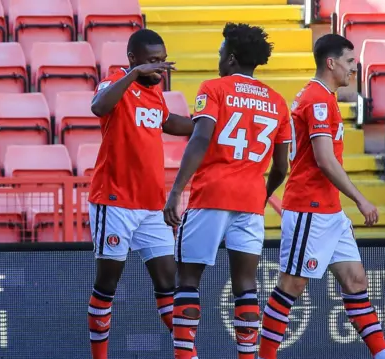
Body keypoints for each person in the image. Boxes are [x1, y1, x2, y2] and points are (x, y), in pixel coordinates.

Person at [257, 34, 385, 359]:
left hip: (329, 210)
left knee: (355, 280)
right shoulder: (317, 100)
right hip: (309, 207)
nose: (354, 69)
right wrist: (361, 198)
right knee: (291, 286)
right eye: (350, 62)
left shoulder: (322, 97)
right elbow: (325, 160)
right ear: (331, 63)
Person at [163, 23, 291, 359]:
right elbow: (281, 167)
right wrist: (262, 194)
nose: (219, 57)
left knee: (188, 278)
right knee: (246, 286)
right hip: (250, 200)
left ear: (231, 58)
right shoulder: (277, 102)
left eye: (221, 52)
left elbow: (201, 137)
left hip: (212, 194)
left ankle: (186, 356)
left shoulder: (214, 88)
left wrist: (176, 190)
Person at [87, 28, 195, 359]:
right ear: (133, 60)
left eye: (162, 61)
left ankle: (187, 356)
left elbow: (169, 122)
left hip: (152, 205)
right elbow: (98, 106)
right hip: (114, 200)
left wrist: (209, 123)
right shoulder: (115, 81)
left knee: (168, 285)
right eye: (151, 61)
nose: (158, 68)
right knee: (107, 286)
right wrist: (133, 75)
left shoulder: (154, 94)